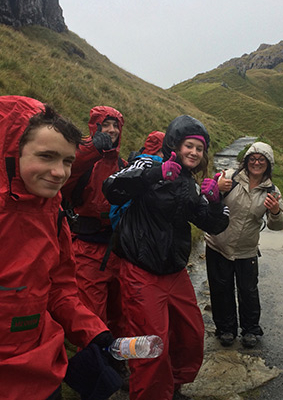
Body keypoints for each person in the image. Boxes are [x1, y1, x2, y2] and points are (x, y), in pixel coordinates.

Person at [103, 115, 230, 400]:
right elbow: (112, 188)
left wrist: (213, 203)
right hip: (140, 271)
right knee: (151, 345)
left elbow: (214, 225)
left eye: (199, 148)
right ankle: (148, 393)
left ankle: (171, 387)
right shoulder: (149, 164)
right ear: (175, 144)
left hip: (174, 272)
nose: (194, 153)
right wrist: (155, 175)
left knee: (191, 336)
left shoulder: (190, 184)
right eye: (189, 146)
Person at [0, 96, 119, 400]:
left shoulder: (53, 212)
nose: (59, 172)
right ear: (13, 153)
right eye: (46, 156)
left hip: (42, 364)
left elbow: (60, 287)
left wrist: (92, 331)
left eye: (67, 161)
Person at [205, 141, 283, 348]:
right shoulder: (230, 178)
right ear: (246, 161)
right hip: (218, 245)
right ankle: (225, 329)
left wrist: (275, 212)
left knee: (248, 291)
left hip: (246, 251)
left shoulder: (272, 191)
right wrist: (216, 187)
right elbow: (208, 202)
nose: (256, 163)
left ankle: (250, 330)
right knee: (220, 289)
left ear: (268, 164)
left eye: (261, 160)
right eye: (253, 159)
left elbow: (278, 226)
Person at [61, 106, 128, 340]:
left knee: (121, 313)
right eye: (105, 125)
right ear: (94, 127)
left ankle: (120, 359)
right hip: (86, 249)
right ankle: (98, 366)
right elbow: (65, 173)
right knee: (92, 316)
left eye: (115, 126)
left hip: (118, 250)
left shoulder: (123, 165)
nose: (111, 131)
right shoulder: (81, 159)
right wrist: (92, 150)